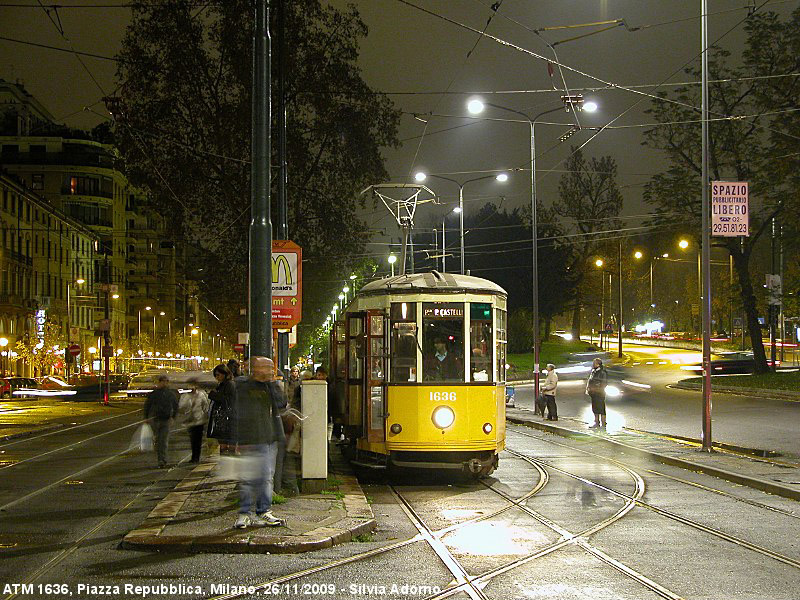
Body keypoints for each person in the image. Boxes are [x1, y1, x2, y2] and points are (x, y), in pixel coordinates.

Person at [233, 356, 285, 529]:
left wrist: (270, 384)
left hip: (270, 437)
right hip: (251, 438)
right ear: (256, 368)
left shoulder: (270, 386)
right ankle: (245, 513)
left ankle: (263, 510)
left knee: (267, 476)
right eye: (266, 367)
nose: (270, 371)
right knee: (248, 477)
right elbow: (242, 411)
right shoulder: (243, 386)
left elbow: (281, 402)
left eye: (271, 368)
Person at [143, 374, 179, 468]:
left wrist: (173, 417)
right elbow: (148, 405)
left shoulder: (170, 393)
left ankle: (162, 460)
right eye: (162, 381)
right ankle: (161, 458)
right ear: (159, 382)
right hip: (156, 419)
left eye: (166, 381)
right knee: (158, 440)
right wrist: (146, 417)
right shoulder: (154, 393)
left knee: (163, 440)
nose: (164, 383)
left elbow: (175, 406)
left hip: (165, 420)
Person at [179, 379, 210, 463]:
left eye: (193, 385)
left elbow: (206, 406)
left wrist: (205, 415)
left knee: (198, 439)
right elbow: (181, 406)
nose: (191, 387)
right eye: (189, 385)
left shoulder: (201, 394)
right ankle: (194, 456)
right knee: (192, 439)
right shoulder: (185, 396)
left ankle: (196, 457)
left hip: (199, 420)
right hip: (189, 420)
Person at [208, 364, 237, 455]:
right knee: (223, 443)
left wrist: (213, 395)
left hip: (227, 419)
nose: (217, 377)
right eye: (215, 375)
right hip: (224, 419)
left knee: (227, 443)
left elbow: (227, 399)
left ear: (225, 374)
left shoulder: (229, 384)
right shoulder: (222, 385)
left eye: (218, 375)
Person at [586, 358, 608, 429]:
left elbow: (604, 383)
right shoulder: (593, 372)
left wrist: (597, 389)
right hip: (593, 393)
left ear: (598, 364)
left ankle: (603, 423)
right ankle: (596, 422)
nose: (593, 364)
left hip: (599, 393)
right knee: (595, 408)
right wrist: (589, 389)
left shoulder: (602, 372)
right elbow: (590, 381)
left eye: (594, 363)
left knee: (601, 408)